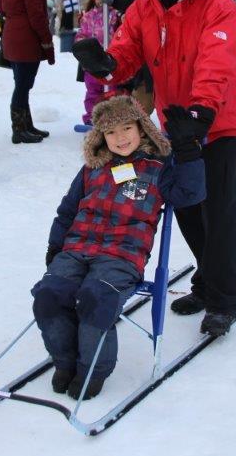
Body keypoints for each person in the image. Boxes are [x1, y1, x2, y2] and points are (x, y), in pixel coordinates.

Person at [71, 0, 236, 337]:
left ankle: (224, 298)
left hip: (217, 123)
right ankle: (206, 279)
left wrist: (202, 111)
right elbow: (127, 49)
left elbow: (215, 63)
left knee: (217, 211)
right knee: (186, 207)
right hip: (176, 127)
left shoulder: (218, 7)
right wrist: (107, 64)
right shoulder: (145, 9)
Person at [33, 95, 205, 399]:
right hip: (76, 249)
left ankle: (93, 368)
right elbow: (68, 209)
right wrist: (55, 245)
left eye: (126, 128)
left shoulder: (156, 167)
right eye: (111, 132)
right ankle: (64, 360)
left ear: (142, 128)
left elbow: (190, 194)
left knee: (95, 297)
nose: (120, 138)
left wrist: (189, 153)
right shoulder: (93, 167)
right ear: (101, 137)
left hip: (121, 255)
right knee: (48, 295)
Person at [0, 0, 55, 144]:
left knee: (21, 84)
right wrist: (46, 41)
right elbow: (37, 17)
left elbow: (2, 10)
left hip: (12, 37)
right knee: (22, 86)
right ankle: (19, 129)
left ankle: (25, 125)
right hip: (26, 40)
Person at [76, 0, 120, 128]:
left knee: (111, 90)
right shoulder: (88, 17)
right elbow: (81, 34)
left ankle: (113, 116)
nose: (102, 1)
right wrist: (82, 43)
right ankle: (92, 116)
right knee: (93, 91)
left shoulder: (114, 15)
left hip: (109, 59)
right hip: (92, 62)